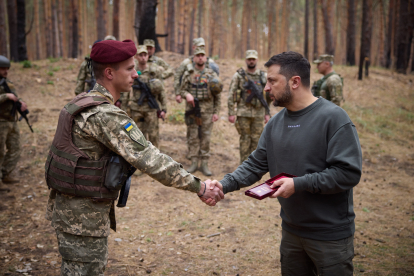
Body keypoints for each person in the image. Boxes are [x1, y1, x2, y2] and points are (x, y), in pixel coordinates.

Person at [45, 39, 224, 276]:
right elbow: (150, 159)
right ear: (109, 73)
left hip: (71, 212)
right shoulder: (105, 115)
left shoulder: (79, 102)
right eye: (129, 68)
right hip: (83, 220)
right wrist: (199, 186)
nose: (136, 74)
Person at [206, 51, 362, 275]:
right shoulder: (275, 123)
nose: (266, 87)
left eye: (272, 81)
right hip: (291, 233)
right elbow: (255, 165)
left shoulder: (334, 119)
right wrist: (224, 184)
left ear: (295, 82)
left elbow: (348, 173)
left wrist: (298, 184)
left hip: (330, 236)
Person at [179, 47, 222, 176]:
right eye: (198, 55)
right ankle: (193, 162)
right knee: (193, 136)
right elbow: (181, 90)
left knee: (205, 137)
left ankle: (204, 163)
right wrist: (187, 95)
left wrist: (216, 112)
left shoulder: (211, 74)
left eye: (202, 55)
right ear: (194, 58)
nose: (200, 57)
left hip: (207, 111)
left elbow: (217, 95)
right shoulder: (188, 73)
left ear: (205, 57)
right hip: (192, 110)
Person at [228, 50, 272, 163]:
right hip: (243, 113)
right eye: (249, 59)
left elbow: (268, 96)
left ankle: (253, 165)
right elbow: (231, 94)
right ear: (246, 60)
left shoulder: (263, 76)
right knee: (244, 139)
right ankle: (243, 164)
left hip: (259, 113)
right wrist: (231, 112)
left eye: (253, 59)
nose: (251, 61)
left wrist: (267, 113)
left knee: (257, 140)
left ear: (256, 60)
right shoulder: (238, 76)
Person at [124, 45, 166, 148]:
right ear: (136, 57)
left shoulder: (154, 70)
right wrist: (124, 108)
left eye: (145, 54)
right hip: (136, 108)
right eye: (140, 55)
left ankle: (155, 159)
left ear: (148, 56)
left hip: (151, 108)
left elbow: (161, 90)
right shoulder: (131, 70)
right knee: (136, 136)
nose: (143, 57)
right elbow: (125, 91)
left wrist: (164, 108)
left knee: (153, 136)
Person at [0, 55, 28, 185]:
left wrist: (20, 102)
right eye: (2, 69)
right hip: (1, 122)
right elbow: (8, 96)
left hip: (11, 121)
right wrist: (6, 96)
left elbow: (15, 97)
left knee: (15, 149)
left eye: (7, 68)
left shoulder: (7, 83)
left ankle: (5, 174)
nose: (5, 71)